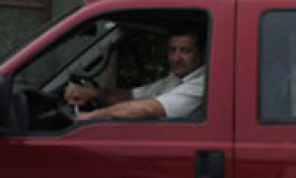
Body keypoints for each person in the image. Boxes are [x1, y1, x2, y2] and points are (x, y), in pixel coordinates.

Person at [65, 31, 206, 120]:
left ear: (202, 54)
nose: (176, 58)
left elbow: (149, 109)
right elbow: (131, 95)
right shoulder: (176, 78)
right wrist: (93, 93)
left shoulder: (203, 83)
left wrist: (93, 116)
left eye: (186, 51)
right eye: (172, 50)